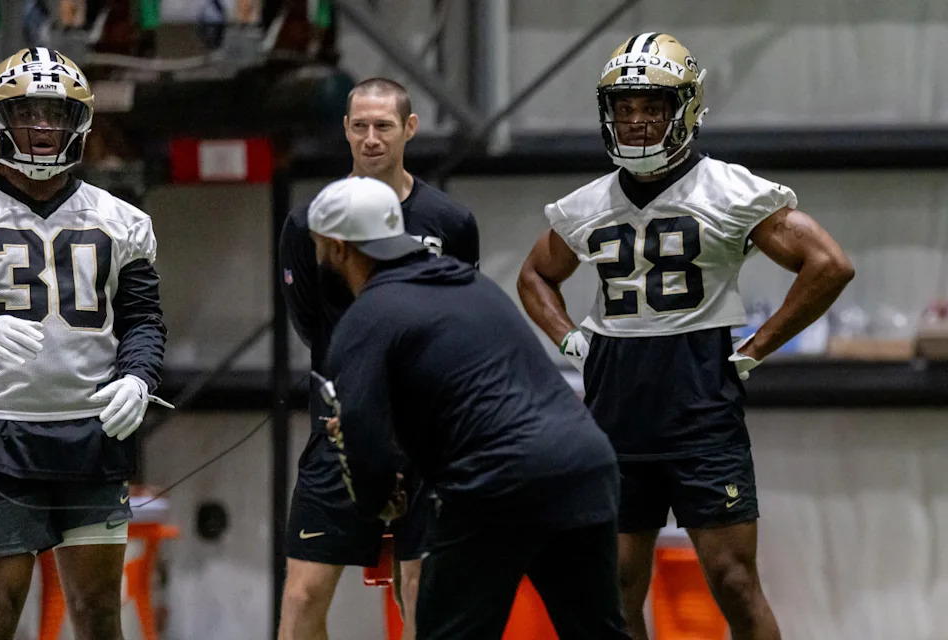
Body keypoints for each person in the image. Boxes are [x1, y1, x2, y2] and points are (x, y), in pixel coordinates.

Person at [517, 32, 855, 640]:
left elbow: (828, 263)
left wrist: (756, 346)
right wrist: (570, 339)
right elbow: (535, 276)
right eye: (624, 107)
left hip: (700, 405)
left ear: (686, 111)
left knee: (732, 580)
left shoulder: (727, 189)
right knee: (615, 587)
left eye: (653, 106)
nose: (637, 121)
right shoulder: (585, 205)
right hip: (614, 406)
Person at [311, 175, 629, 640]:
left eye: (319, 247)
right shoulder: (470, 285)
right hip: (584, 465)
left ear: (338, 247)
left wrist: (377, 498)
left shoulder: (367, 318)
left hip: (496, 479)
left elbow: (360, 435)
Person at [278, 78, 479, 640]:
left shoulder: (450, 222)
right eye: (359, 126)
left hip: (427, 435)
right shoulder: (306, 223)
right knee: (301, 597)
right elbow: (309, 322)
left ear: (409, 129)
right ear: (345, 129)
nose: (370, 138)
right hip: (340, 427)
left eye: (383, 126)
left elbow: (460, 319)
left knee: (421, 591)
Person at [0, 48, 167, 640]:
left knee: (97, 614)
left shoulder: (123, 220)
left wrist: (140, 377)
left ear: (79, 123)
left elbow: (142, 319)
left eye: (55, 114)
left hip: (89, 436)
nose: (41, 127)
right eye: (28, 113)